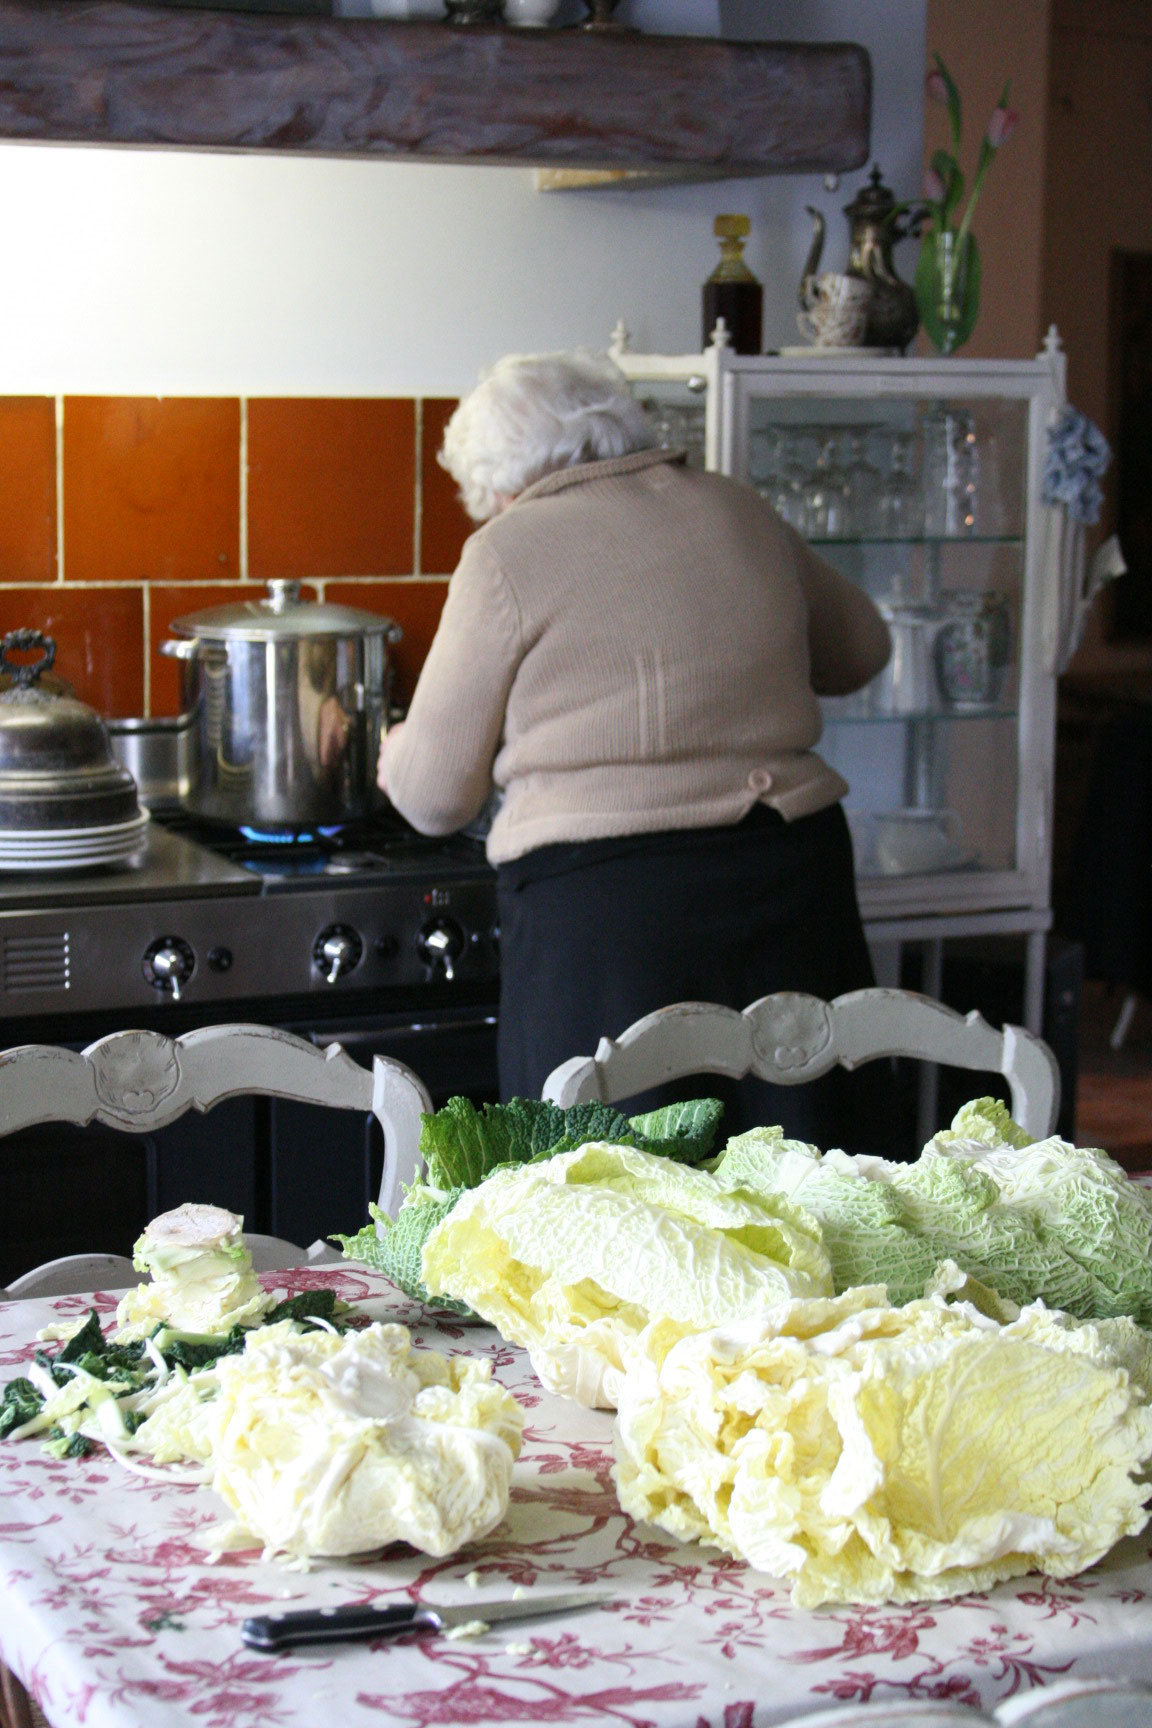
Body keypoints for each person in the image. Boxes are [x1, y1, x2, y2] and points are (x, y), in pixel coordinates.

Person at [379, 349, 893, 1150]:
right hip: (792, 880)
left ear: (502, 484)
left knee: (614, 1194)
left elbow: (434, 798)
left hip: (612, 912)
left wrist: (395, 746)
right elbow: (861, 649)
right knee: (811, 1175)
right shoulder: (736, 507)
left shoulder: (507, 550)